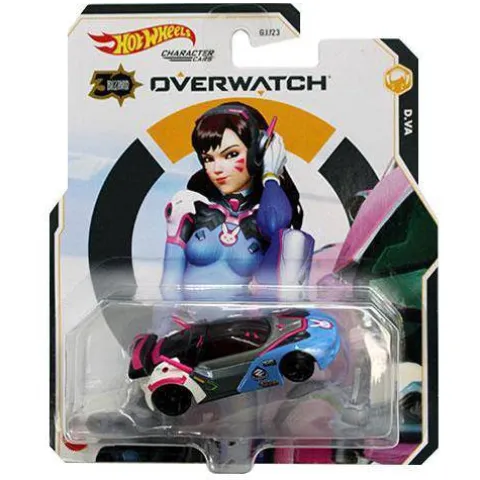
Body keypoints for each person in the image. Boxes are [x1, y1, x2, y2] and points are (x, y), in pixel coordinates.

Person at [160, 102, 314, 299]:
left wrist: (270, 175)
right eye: (208, 159)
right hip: (191, 316)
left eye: (231, 155)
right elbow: (169, 285)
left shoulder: (263, 215)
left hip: (249, 317)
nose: (217, 169)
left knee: (294, 241)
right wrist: (169, 318)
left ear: (258, 152)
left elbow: (275, 224)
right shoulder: (191, 207)